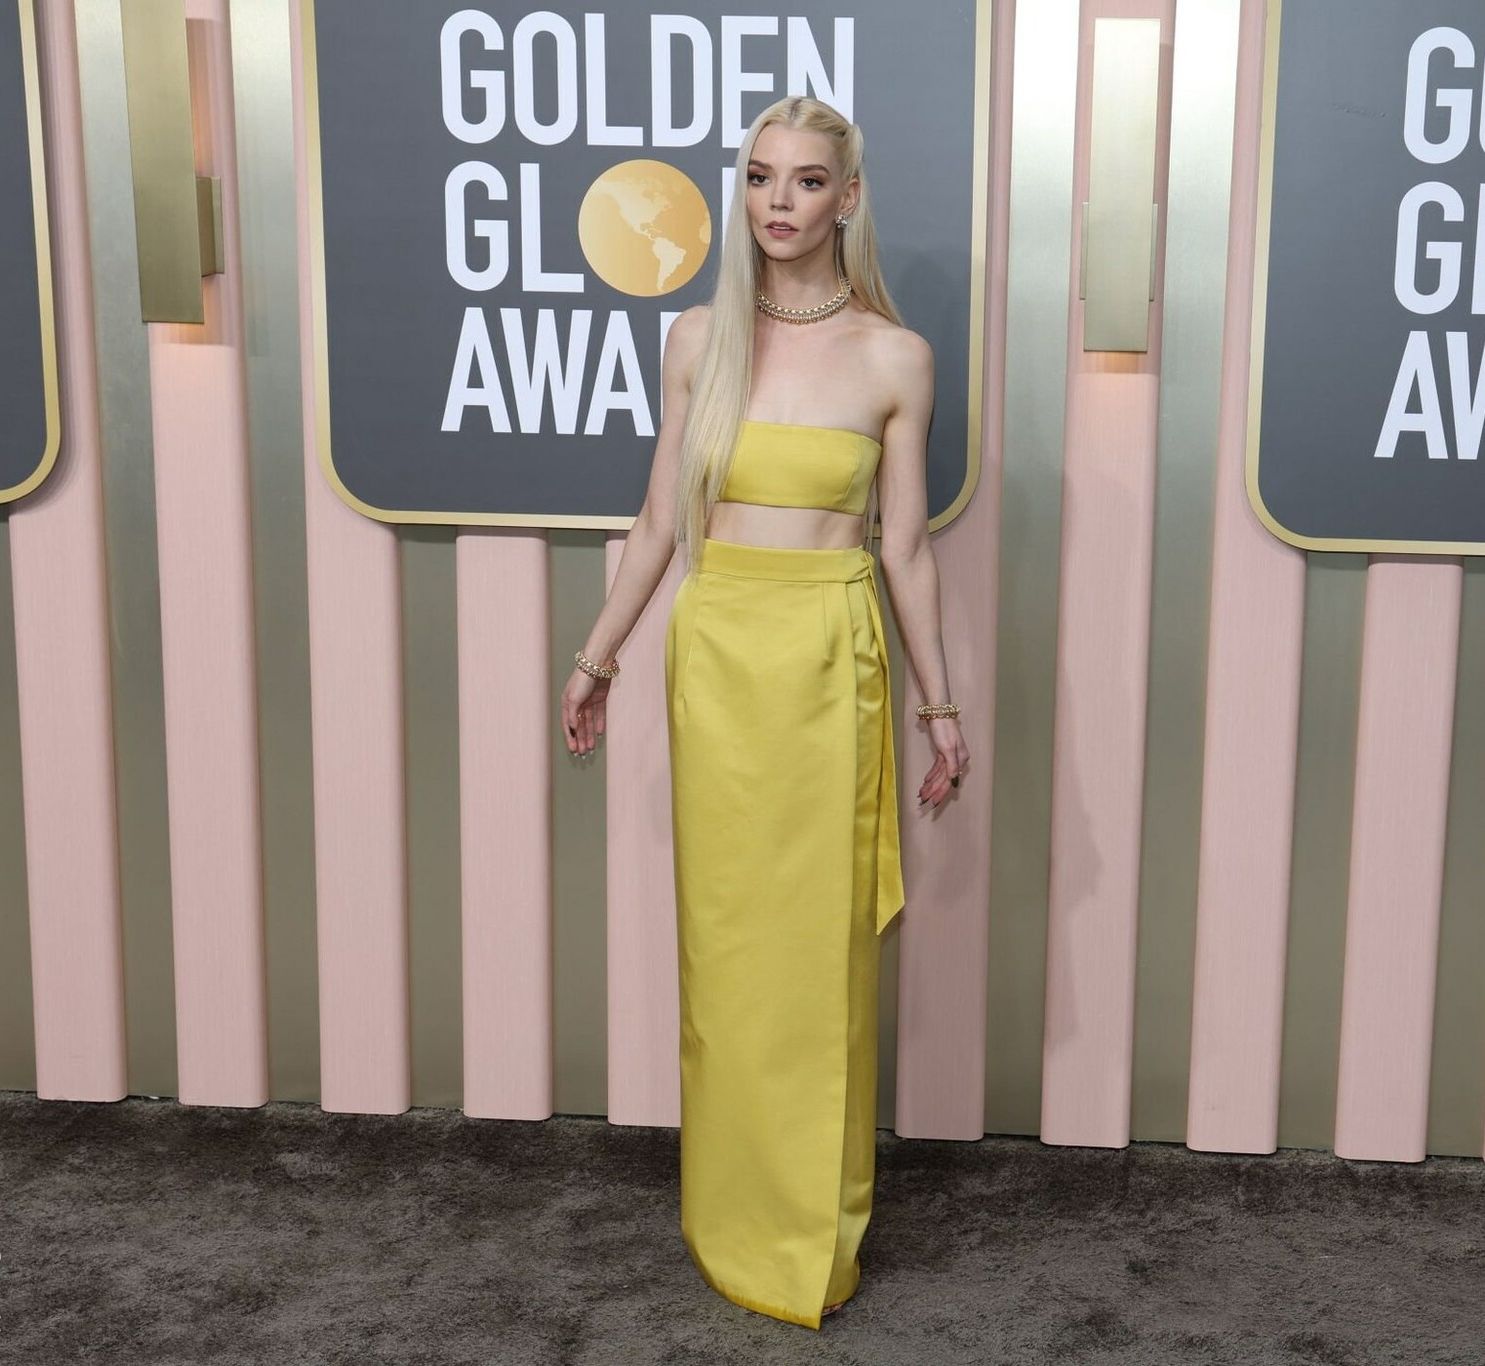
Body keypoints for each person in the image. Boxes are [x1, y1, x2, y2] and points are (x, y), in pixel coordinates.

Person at [557, 94, 971, 1330]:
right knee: (729, 952)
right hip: (720, 659)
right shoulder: (698, 340)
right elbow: (660, 520)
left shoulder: (896, 358)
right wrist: (597, 657)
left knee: (818, 961)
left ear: (848, 198)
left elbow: (907, 549)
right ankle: (730, 1211)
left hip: (828, 666)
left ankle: (809, 1231)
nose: (777, 202)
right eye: (757, 178)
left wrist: (940, 704)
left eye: (804, 180)